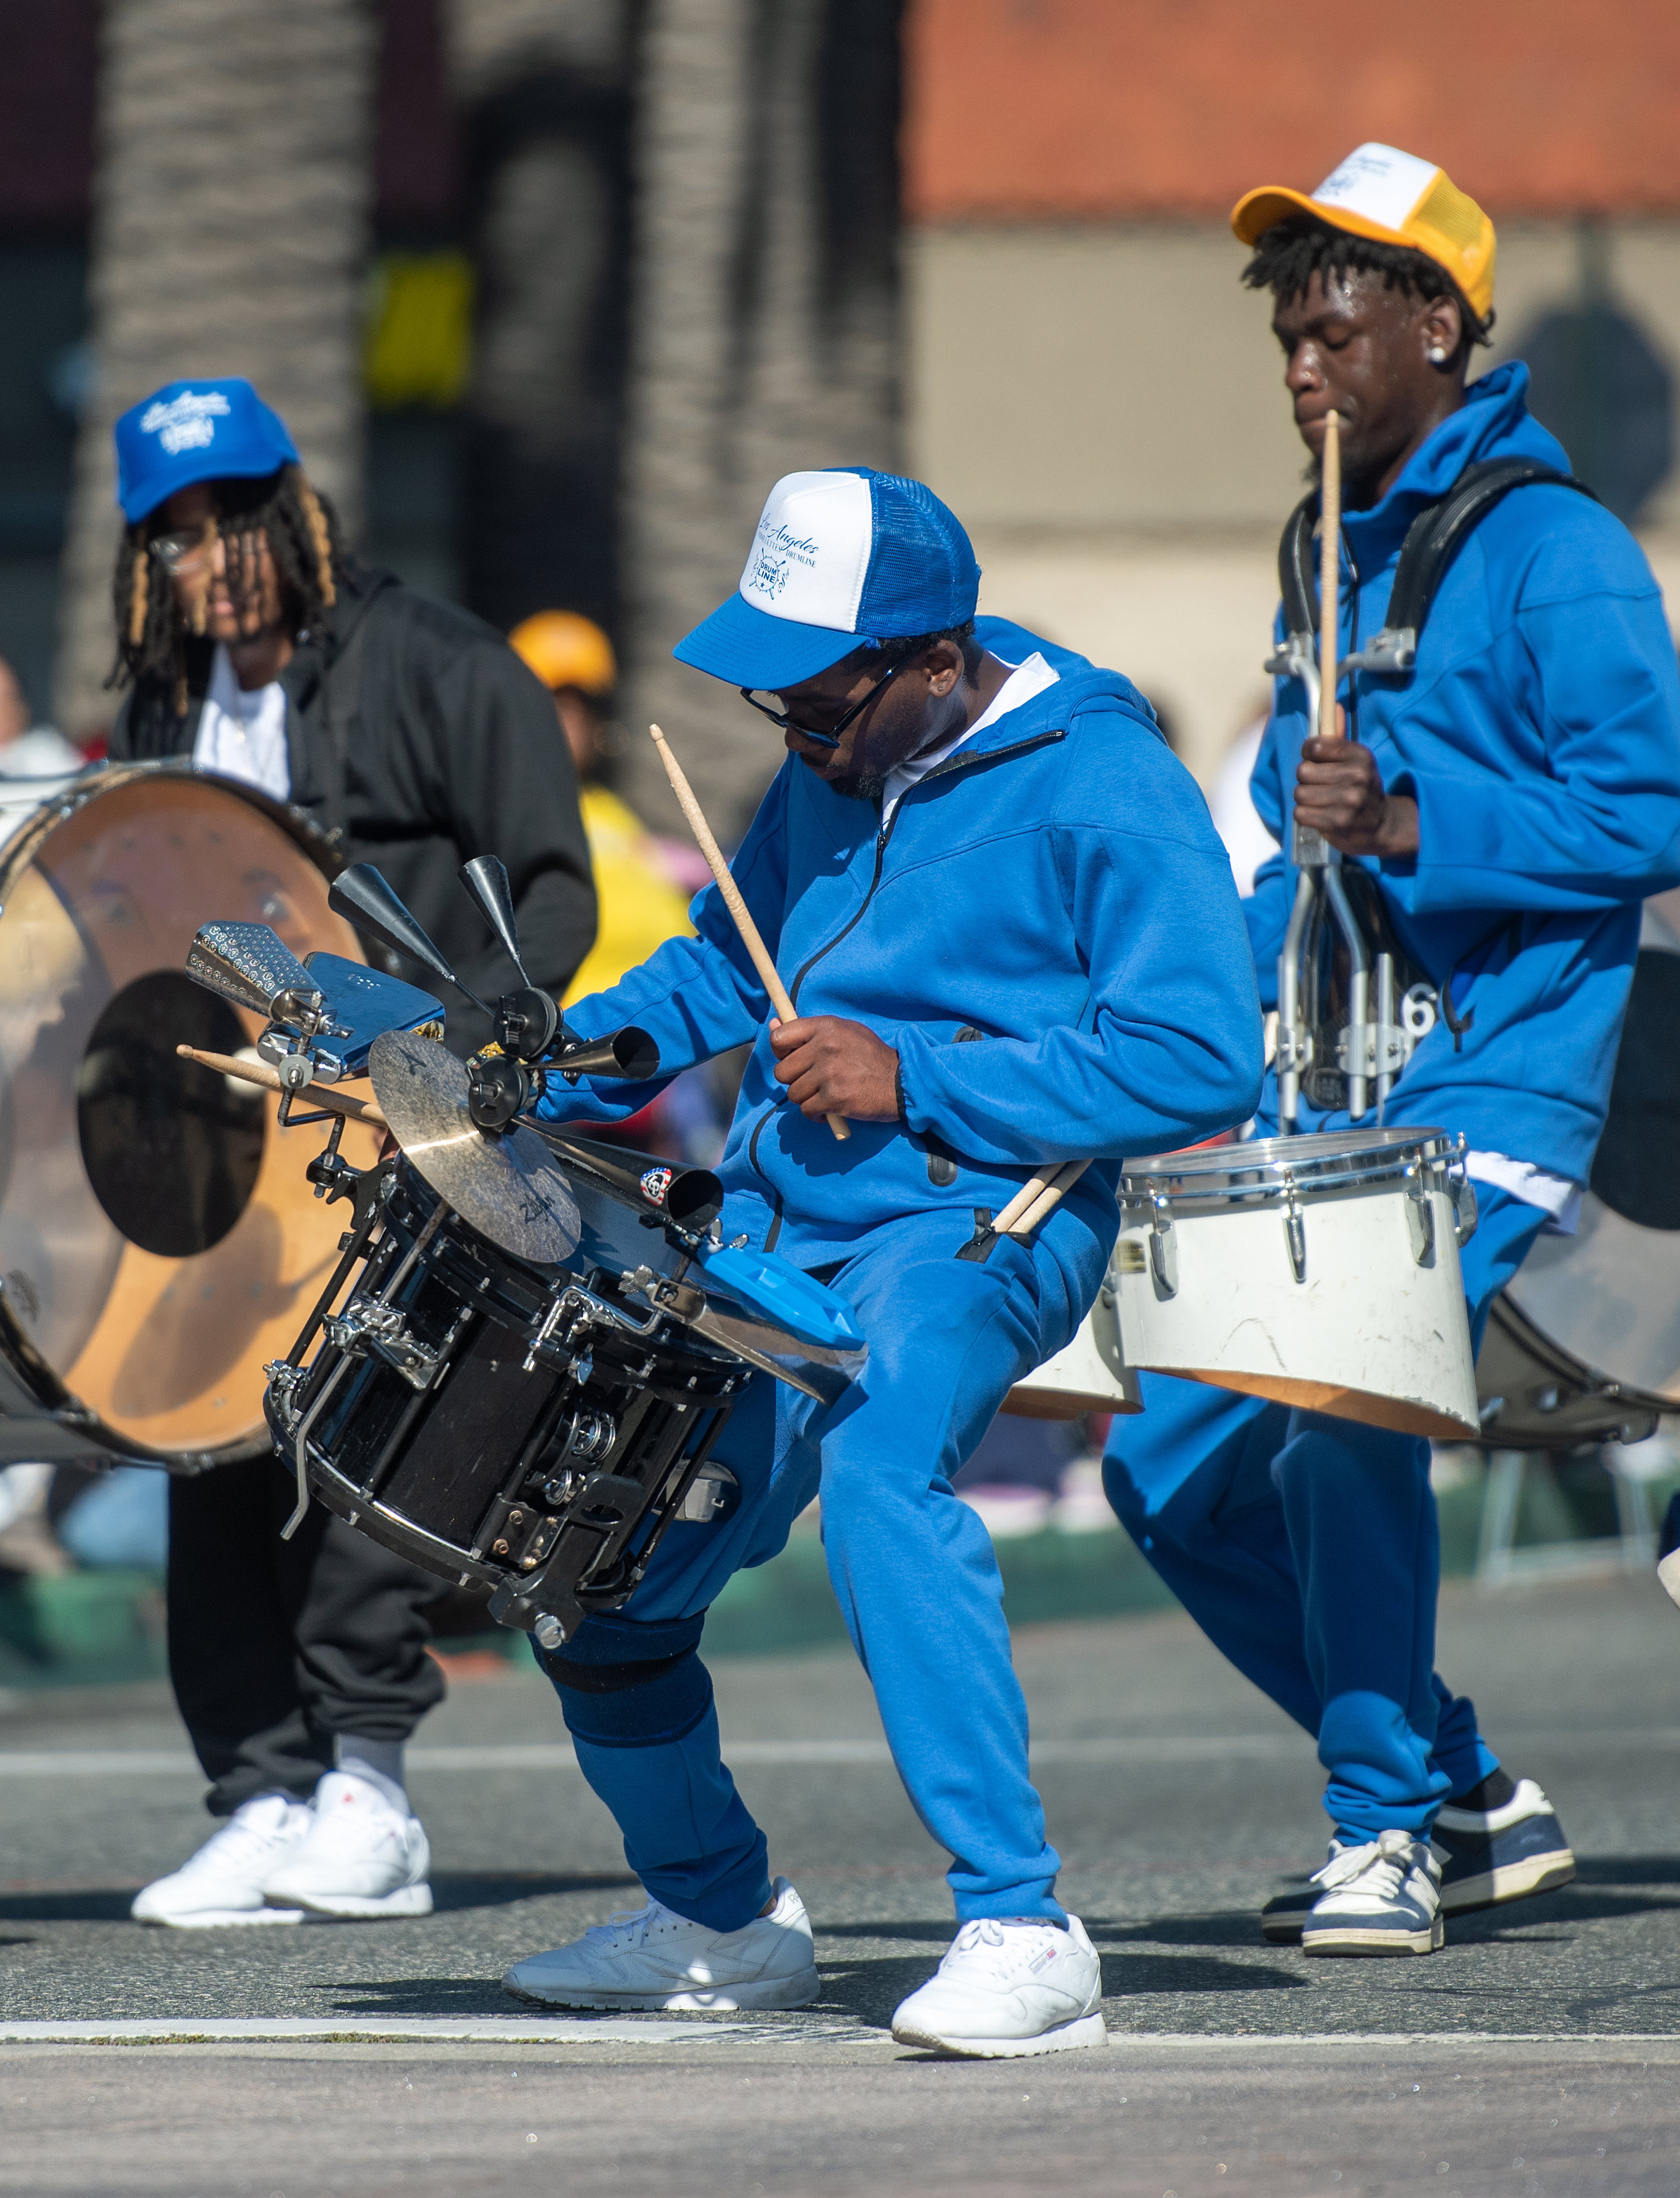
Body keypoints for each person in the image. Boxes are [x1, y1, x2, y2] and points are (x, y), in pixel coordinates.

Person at [506, 465, 1260, 2056]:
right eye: (767, 688)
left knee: (876, 1460)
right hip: (781, 1228)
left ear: (933, 660)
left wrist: (915, 1078)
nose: (787, 724)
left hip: (981, 1216)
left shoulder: (1102, 780)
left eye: (817, 694)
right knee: (593, 1566)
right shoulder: (837, 754)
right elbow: (728, 960)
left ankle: (1019, 1924)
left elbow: (1200, 1058)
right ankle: (714, 1917)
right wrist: (558, 1058)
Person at [1102, 145, 1680, 1957]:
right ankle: (1456, 1788)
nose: (1299, 357)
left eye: (1333, 321)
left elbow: (1651, 808)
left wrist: (1426, 821)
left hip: (1510, 1079)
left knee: (1339, 1392)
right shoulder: (1322, 540)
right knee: (1164, 1465)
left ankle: (1376, 1834)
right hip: (1331, 1089)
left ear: (1437, 321)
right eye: (1283, 329)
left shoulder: (1557, 547)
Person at [103, 378, 592, 1930]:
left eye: (234, 511)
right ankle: (255, 1792)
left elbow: (551, 886)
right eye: (173, 533)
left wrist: (470, 1055)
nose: (211, 554)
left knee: (359, 1451)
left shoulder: (434, 662)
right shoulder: (161, 705)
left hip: (391, 1124)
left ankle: (368, 1792)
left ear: (295, 504)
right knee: (204, 1454)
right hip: (217, 1139)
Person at [509, 611, 703, 1000]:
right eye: (551, 704)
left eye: (578, 706)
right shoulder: (511, 813)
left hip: (664, 1025)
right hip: (578, 1034)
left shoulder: (609, 807)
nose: (570, 724)